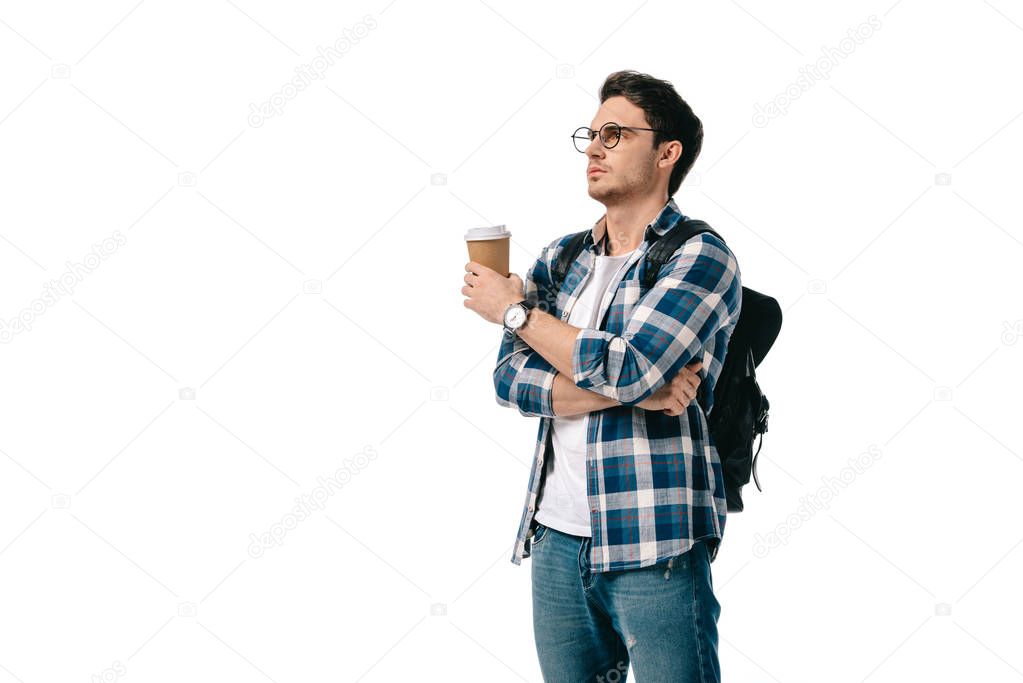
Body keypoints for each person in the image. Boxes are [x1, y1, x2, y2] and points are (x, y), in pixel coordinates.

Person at [462, 70, 742, 682]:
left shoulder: (700, 255)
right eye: (591, 133)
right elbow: (510, 379)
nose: (594, 147)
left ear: (667, 153)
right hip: (555, 541)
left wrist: (513, 312)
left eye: (615, 133)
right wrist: (637, 389)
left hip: (655, 542)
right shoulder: (564, 257)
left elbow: (631, 365)